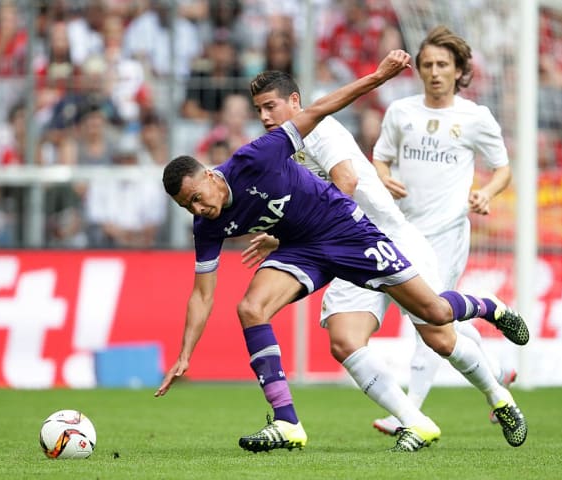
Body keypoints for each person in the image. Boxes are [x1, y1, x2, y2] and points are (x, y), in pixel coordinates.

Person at [154, 50, 529, 454]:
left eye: (270, 106)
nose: (263, 116)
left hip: (362, 233)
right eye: (258, 109)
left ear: (293, 102)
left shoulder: (289, 141)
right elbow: (202, 292)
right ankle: (314, 422)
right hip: (308, 245)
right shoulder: (213, 216)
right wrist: (184, 354)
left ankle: (494, 346)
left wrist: (378, 76)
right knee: (309, 329)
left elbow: (344, 177)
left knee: (436, 322)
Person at [371, 26, 516, 435]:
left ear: (459, 70)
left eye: (442, 65)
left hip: (448, 233)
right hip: (402, 230)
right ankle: (499, 371)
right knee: (442, 319)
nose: (434, 72)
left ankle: (409, 411)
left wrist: (486, 192)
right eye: (427, 65)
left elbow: (503, 169)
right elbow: (379, 160)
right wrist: (383, 177)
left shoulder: (475, 117)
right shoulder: (401, 112)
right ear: (417, 70)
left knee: (429, 318)